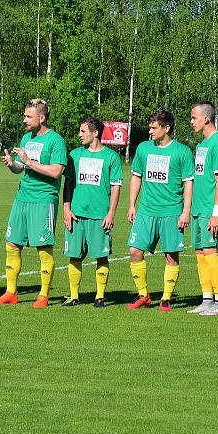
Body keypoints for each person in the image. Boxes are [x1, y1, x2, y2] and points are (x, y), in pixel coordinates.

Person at [0, 99, 67, 308]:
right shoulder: (26, 138)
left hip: (43, 200)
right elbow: (21, 167)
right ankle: (11, 292)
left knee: (43, 248)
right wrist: (12, 165)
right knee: (12, 244)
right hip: (22, 198)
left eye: (28, 116)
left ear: (41, 118)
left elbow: (56, 171)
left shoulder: (56, 141)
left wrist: (28, 162)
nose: (24, 120)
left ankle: (43, 296)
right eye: (25, 116)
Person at [126, 110, 194, 311]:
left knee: (171, 256)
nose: (150, 131)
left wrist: (185, 211)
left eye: (154, 127)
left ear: (167, 128)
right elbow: (136, 176)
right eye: (150, 127)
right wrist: (132, 204)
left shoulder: (182, 152)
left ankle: (166, 298)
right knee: (134, 251)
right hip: (146, 211)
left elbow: (188, 182)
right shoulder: (144, 149)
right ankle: (143, 294)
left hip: (172, 211)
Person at [61, 117, 123, 308]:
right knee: (74, 255)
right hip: (76, 214)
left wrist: (111, 212)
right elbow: (68, 184)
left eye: (83, 131)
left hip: (100, 216)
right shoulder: (74, 155)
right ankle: (73, 296)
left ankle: (100, 296)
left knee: (101, 256)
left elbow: (115, 187)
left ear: (95, 132)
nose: (79, 134)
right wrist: (66, 209)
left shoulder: (111, 157)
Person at [187, 102, 218, 316]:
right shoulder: (203, 145)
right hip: (198, 207)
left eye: (194, 117)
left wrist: (216, 213)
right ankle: (207, 299)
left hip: (209, 209)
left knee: (210, 251)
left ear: (206, 119)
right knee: (200, 252)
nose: (192, 121)